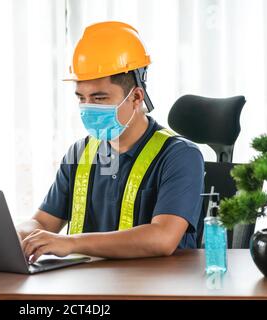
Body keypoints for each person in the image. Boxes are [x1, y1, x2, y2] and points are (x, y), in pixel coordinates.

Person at [17, 21, 204, 263]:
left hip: (155, 288)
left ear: (136, 97)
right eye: (81, 98)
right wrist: (18, 233)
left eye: (99, 97)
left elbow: (163, 237)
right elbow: (43, 222)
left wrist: (70, 242)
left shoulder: (180, 156)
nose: (88, 107)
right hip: (87, 286)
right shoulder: (80, 152)